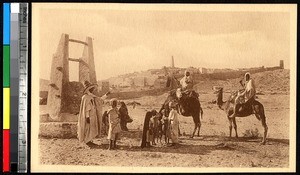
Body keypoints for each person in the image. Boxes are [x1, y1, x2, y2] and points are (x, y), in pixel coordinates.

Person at [78, 80, 110, 147]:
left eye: (93, 89)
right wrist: (87, 117)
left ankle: (89, 140)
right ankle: (87, 141)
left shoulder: (91, 97)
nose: (93, 90)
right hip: (89, 116)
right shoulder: (86, 97)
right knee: (88, 128)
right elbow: (86, 108)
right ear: (88, 90)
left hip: (93, 115)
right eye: (91, 89)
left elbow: (99, 100)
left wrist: (106, 95)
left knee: (91, 128)